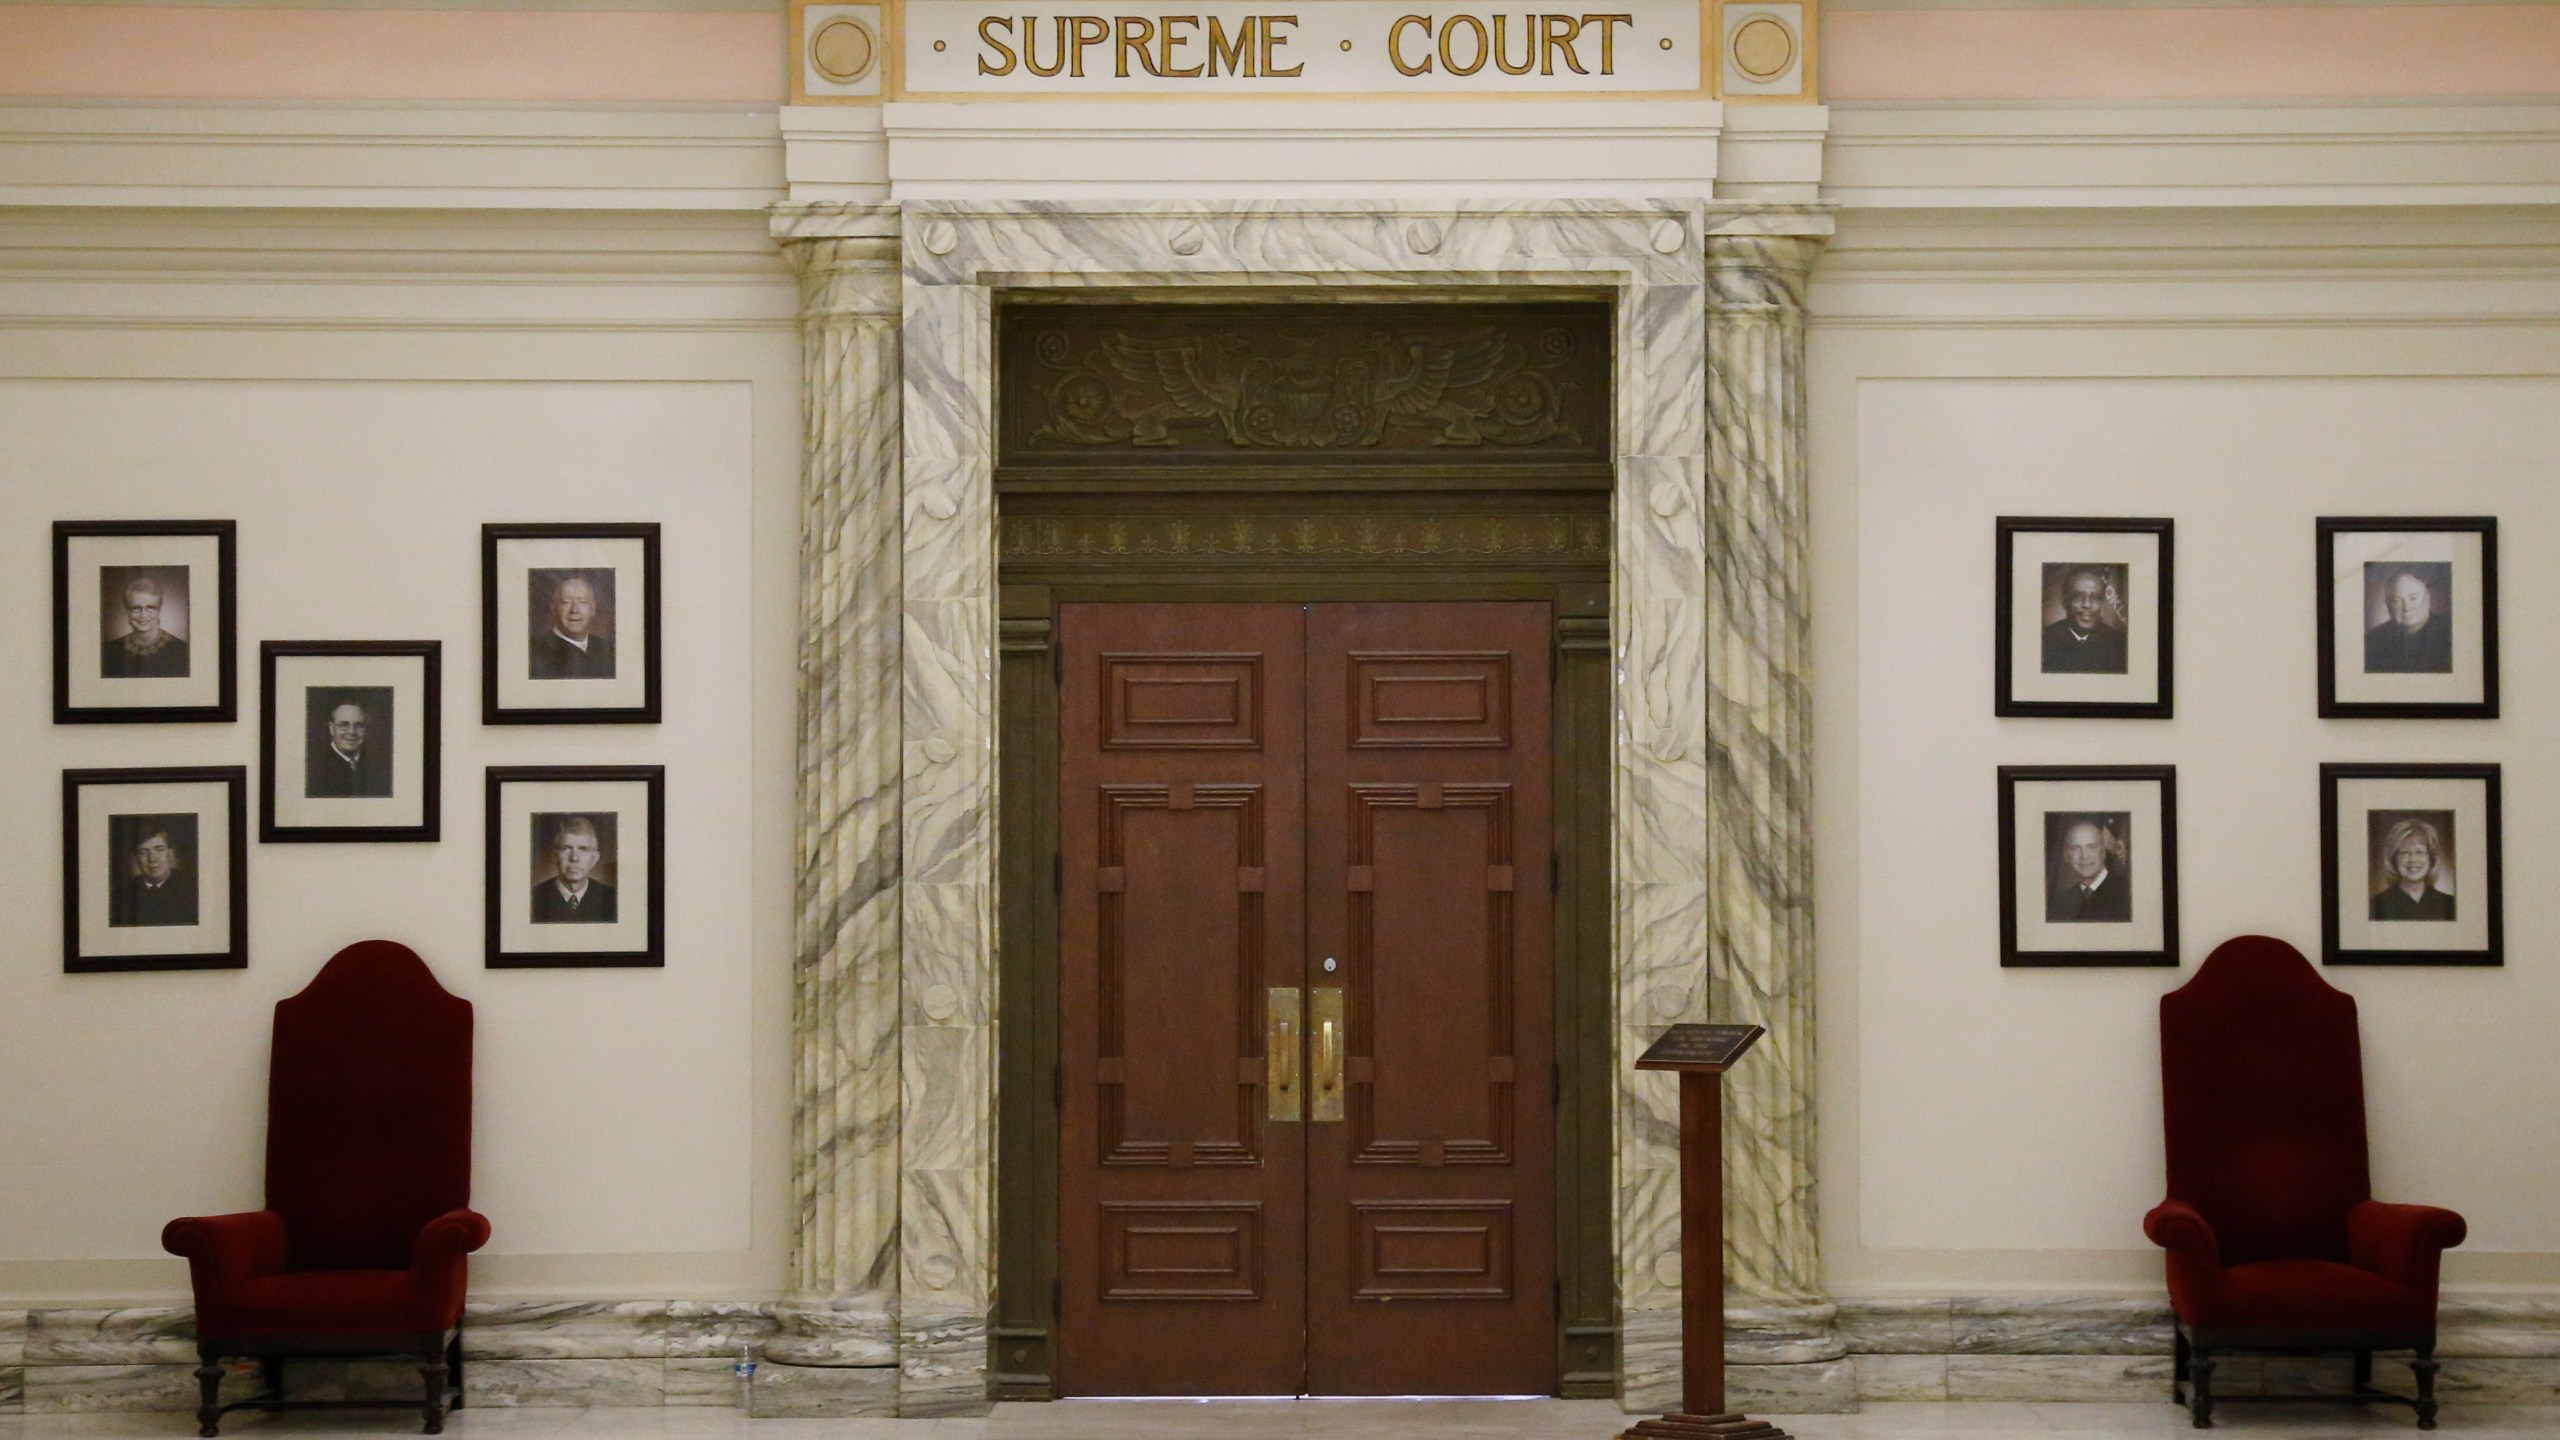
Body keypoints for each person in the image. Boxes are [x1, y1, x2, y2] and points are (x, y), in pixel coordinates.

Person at [109, 821, 198, 927]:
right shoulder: (121, 895)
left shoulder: (193, 888)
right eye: (144, 852)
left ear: (170, 853)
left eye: (159, 849)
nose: (152, 859)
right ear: (136, 858)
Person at [100, 575, 190, 679]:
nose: (143, 615)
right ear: (127, 611)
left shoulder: (182, 651)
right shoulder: (109, 652)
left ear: (159, 610)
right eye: (136, 608)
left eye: (150, 608)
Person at [2040, 568, 2128, 674]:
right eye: (2078, 596)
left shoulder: (2120, 644)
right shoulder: (2043, 640)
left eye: (2096, 597)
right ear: (2064, 601)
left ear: (2103, 603)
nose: (2087, 604)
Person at [532, 815, 617, 924]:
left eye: (583, 849)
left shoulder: (613, 899)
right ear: (555, 856)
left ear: (595, 859)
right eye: (566, 848)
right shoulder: (533, 898)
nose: (574, 858)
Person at [2364, 569, 2452, 674]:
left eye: (2413, 598)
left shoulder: (2450, 633)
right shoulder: (2373, 640)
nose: (2406, 607)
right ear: (2388, 604)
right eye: (2397, 601)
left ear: (2427, 599)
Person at [529, 574, 615, 680]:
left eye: (582, 602)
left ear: (592, 609)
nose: (574, 610)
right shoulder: (535, 653)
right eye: (566, 602)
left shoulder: (609, 651)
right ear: (554, 608)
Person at [2370, 816, 2455, 921]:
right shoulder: (2377, 905)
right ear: (2394, 859)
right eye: (2404, 852)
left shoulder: (2450, 904)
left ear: (2431, 858)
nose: (2413, 859)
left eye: (2419, 852)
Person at [2047, 818, 2131, 923]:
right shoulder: (2061, 901)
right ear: (2066, 855)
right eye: (2075, 848)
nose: (2084, 856)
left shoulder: (2128, 893)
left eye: (2092, 846)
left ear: (2104, 851)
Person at [305, 699, 392, 798]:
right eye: (344, 725)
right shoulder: (313, 770)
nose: (352, 732)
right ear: (331, 728)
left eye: (359, 725)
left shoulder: (381, 769)